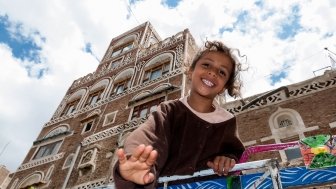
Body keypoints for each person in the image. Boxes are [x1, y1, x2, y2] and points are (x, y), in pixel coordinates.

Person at [113, 40, 245, 188]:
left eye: (222, 72)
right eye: (206, 65)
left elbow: (236, 153)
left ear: (224, 87)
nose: (212, 72)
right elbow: (148, 135)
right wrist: (135, 159)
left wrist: (228, 158)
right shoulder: (169, 110)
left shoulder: (227, 121)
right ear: (190, 71)